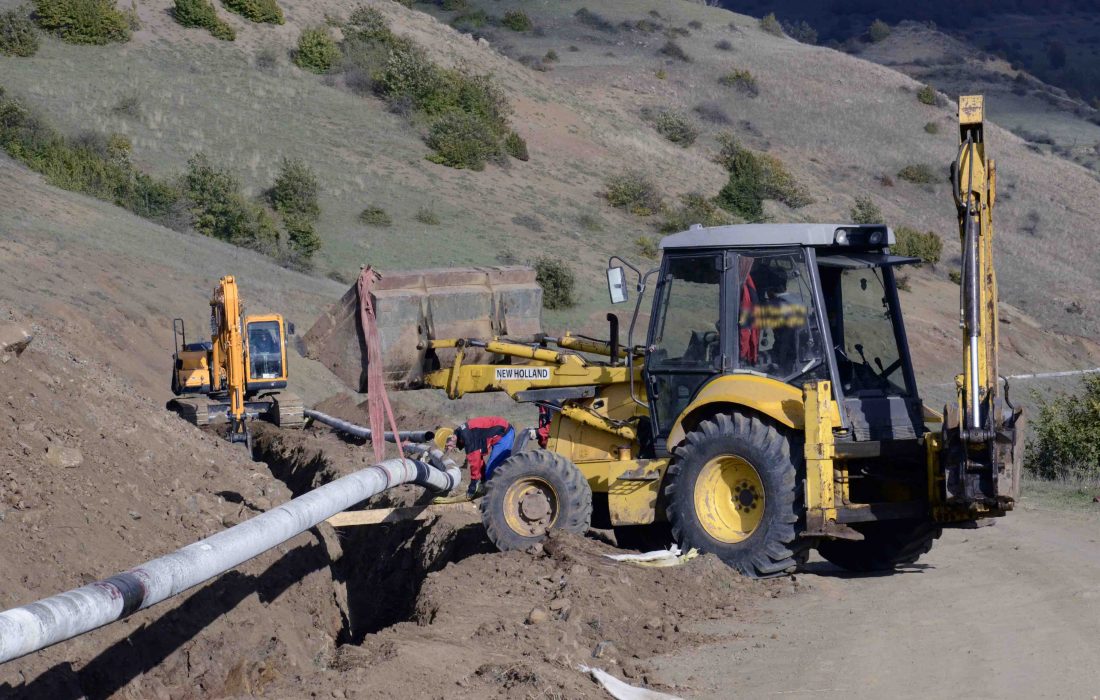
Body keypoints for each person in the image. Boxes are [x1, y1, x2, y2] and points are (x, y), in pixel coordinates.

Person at [446, 416, 515, 499]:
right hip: (500, 432)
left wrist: (473, 485)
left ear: (453, 437)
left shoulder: (467, 437)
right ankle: (490, 491)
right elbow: (479, 457)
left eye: (449, 445)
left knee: (492, 471)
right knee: (488, 474)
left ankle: (496, 498)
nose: (451, 448)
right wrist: (482, 479)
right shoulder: (461, 433)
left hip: (504, 434)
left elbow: (475, 461)